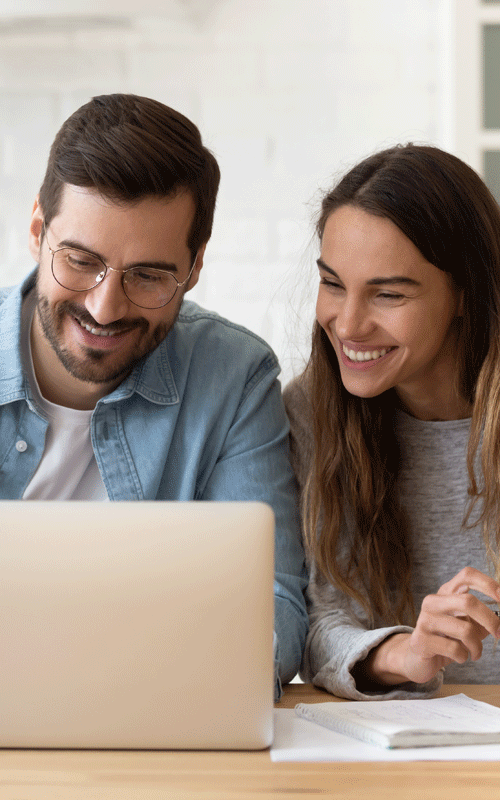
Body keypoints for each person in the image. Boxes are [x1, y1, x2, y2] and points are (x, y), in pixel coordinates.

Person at [0, 93, 308, 698]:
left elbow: (273, 612)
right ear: (38, 231)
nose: (103, 306)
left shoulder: (234, 379)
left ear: (193, 268)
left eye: (148, 275)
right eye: (80, 261)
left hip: (154, 730)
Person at [284, 143, 500, 700]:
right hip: (405, 750)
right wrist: (405, 654)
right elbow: (317, 622)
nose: (349, 324)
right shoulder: (312, 413)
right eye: (333, 284)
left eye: (387, 294)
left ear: (464, 295)